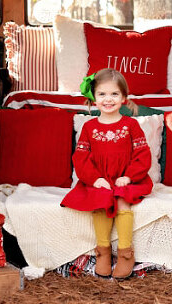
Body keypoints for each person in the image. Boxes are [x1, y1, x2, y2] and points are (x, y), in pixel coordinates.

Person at [60, 68, 153, 279]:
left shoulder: (131, 125)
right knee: (101, 202)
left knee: (122, 201)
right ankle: (102, 252)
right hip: (99, 179)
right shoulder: (89, 127)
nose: (108, 99)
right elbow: (81, 158)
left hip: (125, 178)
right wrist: (96, 179)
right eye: (102, 94)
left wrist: (128, 176)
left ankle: (125, 253)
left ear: (123, 98)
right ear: (94, 98)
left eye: (114, 94)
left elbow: (142, 154)